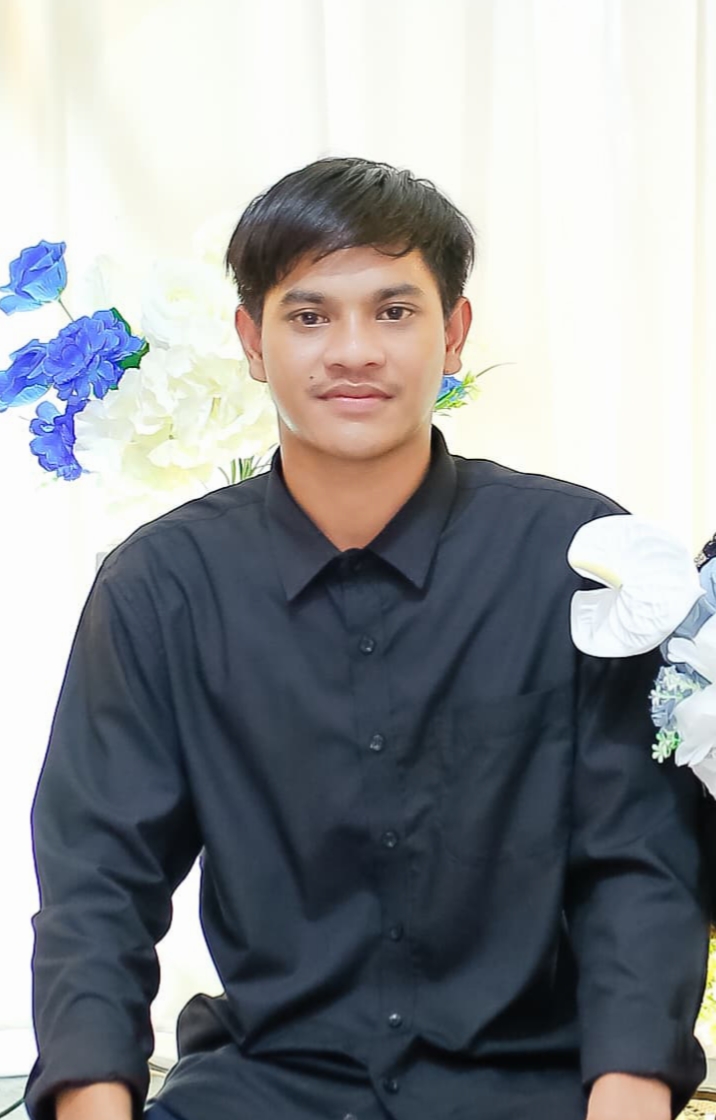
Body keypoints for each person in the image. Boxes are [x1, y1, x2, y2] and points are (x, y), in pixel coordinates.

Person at [25, 157, 709, 1120]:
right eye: (309, 316)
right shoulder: (161, 588)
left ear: (453, 334)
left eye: (394, 312)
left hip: (531, 1091)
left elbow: (641, 865)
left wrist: (625, 1104)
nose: (354, 351)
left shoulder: (577, 558)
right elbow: (98, 886)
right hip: (261, 1089)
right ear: (252, 341)